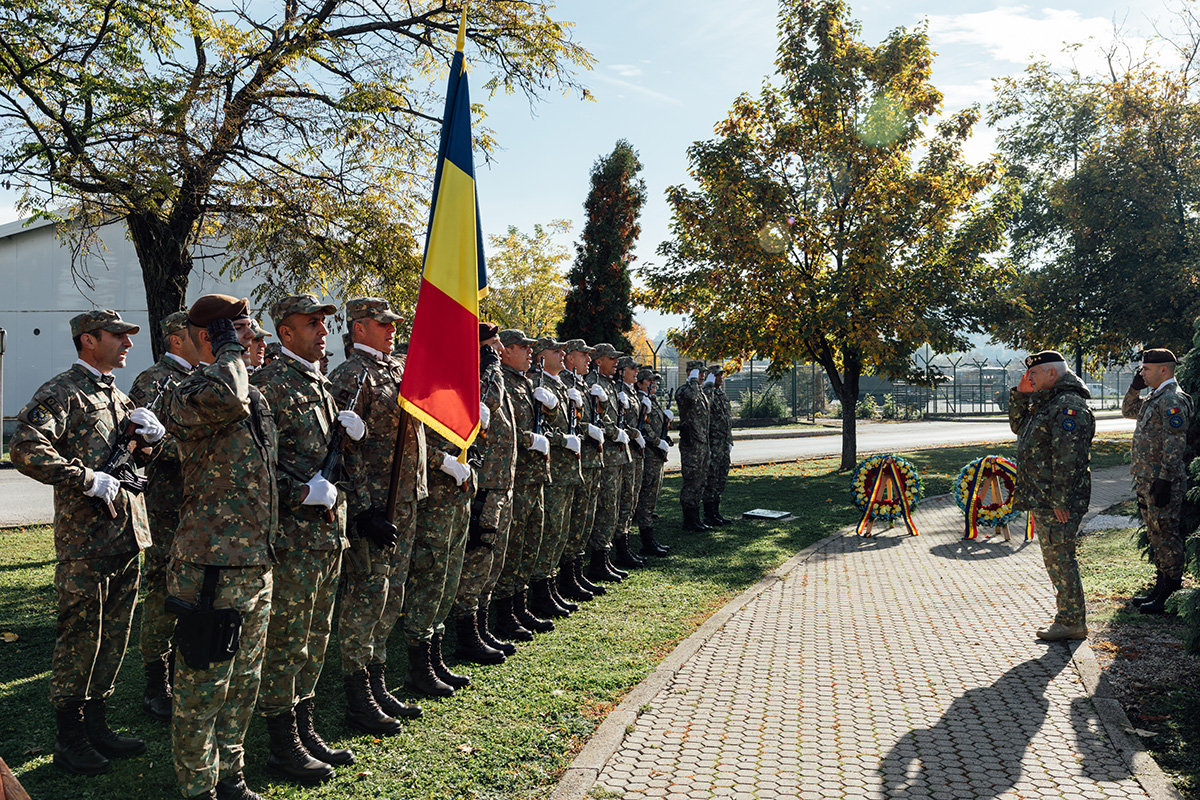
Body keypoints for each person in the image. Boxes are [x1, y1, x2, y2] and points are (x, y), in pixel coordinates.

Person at [10, 310, 163, 777]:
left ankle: (98, 724)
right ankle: (69, 738)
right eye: (117, 336)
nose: (127, 344)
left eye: (127, 336)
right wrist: (85, 477)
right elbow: (25, 447)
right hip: (86, 541)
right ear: (88, 340)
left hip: (125, 536)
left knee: (113, 637)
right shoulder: (63, 391)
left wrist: (151, 441)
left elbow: (133, 465)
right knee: (82, 638)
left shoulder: (117, 395)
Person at [164, 294, 276, 800]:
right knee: (201, 689)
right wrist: (228, 352)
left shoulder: (253, 392)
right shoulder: (187, 393)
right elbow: (228, 397)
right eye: (240, 331)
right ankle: (198, 789)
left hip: (255, 562)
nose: (253, 339)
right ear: (211, 338)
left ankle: (230, 776)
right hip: (210, 566)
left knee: (243, 683)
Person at [251, 295, 359, 783]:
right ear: (284, 333)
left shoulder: (320, 382)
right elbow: (253, 467)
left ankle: (305, 725)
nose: (321, 331)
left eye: (324, 323)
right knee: (286, 641)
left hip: (326, 534)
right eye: (310, 323)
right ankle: (282, 742)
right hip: (292, 538)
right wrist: (300, 491)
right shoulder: (267, 386)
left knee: (316, 638)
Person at [330, 297, 426, 730]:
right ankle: (356, 694)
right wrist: (365, 507)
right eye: (381, 323)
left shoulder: (397, 368)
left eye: (393, 323)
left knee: (392, 594)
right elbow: (342, 450)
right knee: (366, 596)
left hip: (404, 497)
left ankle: (377, 680)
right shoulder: (351, 375)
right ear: (358, 327)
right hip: (373, 506)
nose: (391, 329)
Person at [129, 310, 196, 723]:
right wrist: (168, 445)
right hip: (165, 506)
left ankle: (178, 673)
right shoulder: (154, 381)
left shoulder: (198, 378)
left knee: (187, 592)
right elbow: (142, 445)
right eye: (194, 333)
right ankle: (157, 684)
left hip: (195, 505)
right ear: (175, 339)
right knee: (160, 594)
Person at [1009, 350, 1095, 642]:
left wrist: (1061, 501)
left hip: (1057, 500)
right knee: (1055, 558)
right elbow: (1019, 428)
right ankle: (1068, 617)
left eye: (1033, 374)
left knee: (1061, 558)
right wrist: (1020, 395)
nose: (1028, 378)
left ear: (1051, 374)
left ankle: (1071, 621)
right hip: (1045, 496)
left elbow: (1069, 458)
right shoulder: (1048, 401)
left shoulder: (1068, 406)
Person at [452, 323, 518, 663]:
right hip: (484, 482)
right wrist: (489, 365)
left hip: (500, 481)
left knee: (491, 560)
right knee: (477, 561)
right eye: (493, 344)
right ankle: (467, 634)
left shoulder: (494, 374)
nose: (500, 350)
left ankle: (482, 626)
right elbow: (484, 403)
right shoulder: (476, 376)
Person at [492, 329, 555, 639]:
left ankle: (521, 605)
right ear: (505, 351)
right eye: (523, 347)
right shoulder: (500, 382)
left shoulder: (526, 381)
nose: (530, 352)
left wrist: (552, 408)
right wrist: (532, 439)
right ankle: (504, 613)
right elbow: (502, 430)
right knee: (513, 547)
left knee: (530, 544)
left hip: (534, 477)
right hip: (516, 479)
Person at [1122, 348, 1194, 614]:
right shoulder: (1155, 396)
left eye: (1146, 369)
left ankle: (1171, 593)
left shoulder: (1172, 399)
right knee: (1156, 534)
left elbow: (1175, 443)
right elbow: (1128, 410)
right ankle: (1160, 586)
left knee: (1166, 535)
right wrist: (1134, 387)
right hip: (1147, 479)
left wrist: (1165, 480)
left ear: (1163, 370)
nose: (1142, 372)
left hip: (1163, 482)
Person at [526, 337, 583, 620]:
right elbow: (540, 430)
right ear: (539, 356)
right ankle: (541, 593)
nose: (562, 355)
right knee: (548, 533)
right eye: (555, 351)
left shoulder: (560, 385)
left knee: (560, 531)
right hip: (551, 470)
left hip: (565, 469)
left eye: (563, 351)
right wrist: (563, 440)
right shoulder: (537, 385)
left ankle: (552, 586)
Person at [558, 339, 607, 600]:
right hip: (577, 460)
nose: (589, 359)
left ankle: (577, 574)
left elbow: (593, 416)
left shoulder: (584, 384)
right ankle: (567, 578)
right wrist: (585, 424)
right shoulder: (563, 382)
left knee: (584, 519)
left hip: (590, 459)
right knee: (574, 520)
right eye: (583, 354)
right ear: (569, 358)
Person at [585, 343, 633, 584]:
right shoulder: (592, 382)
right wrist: (615, 433)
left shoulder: (610, 384)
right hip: (606, 456)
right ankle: (597, 561)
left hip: (617, 456)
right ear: (598, 360)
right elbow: (597, 418)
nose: (616, 363)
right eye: (611, 358)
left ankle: (605, 558)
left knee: (613, 506)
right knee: (604, 508)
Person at [612, 355, 647, 570]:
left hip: (634, 452)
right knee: (623, 500)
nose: (636, 372)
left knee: (631, 499)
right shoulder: (619, 390)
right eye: (632, 368)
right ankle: (620, 550)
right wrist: (634, 433)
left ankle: (626, 546)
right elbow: (619, 422)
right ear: (622, 371)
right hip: (624, 451)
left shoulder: (631, 391)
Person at [634, 369, 671, 557]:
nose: (653, 384)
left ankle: (650, 538)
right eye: (649, 381)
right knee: (647, 496)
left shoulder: (651, 399)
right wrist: (658, 442)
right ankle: (647, 541)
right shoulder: (641, 400)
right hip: (648, 455)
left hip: (656, 455)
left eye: (655, 381)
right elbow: (644, 428)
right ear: (639, 383)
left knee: (653, 495)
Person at [675, 360, 712, 532]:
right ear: (690, 373)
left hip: (702, 443)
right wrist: (693, 381)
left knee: (700, 480)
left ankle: (696, 517)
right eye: (699, 372)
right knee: (691, 480)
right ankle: (688, 519)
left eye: (703, 373)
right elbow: (690, 398)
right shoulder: (684, 390)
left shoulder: (701, 392)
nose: (702, 375)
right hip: (691, 444)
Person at [703, 364, 734, 526]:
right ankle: (708, 513)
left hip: (723, 442)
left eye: (721, 375)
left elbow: (727, 420)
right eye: (717, 375)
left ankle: (716, 511)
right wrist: (708, 386)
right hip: (713, 443)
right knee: (712, 478)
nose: (721, 377)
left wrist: (730, 440)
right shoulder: (707, 393)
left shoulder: (721, 394)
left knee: (722, 477)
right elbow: (706, 406)